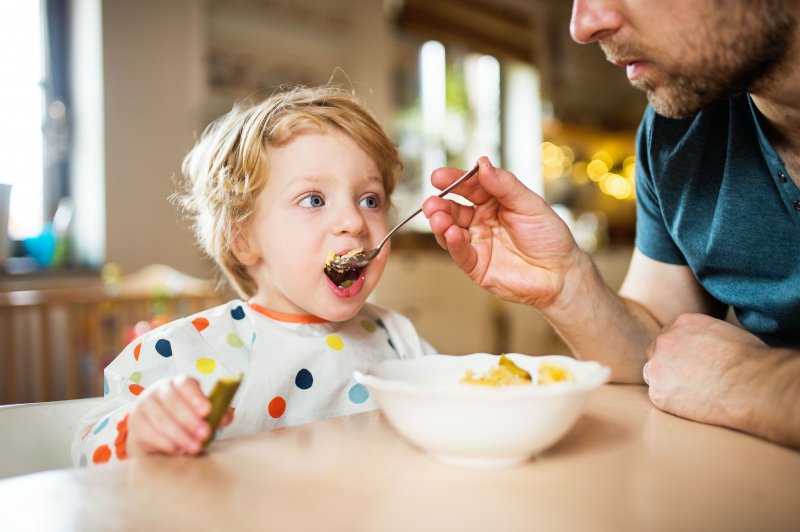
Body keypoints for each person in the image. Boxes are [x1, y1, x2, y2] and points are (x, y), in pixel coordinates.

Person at [423, 0, 800, 447]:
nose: (582, 25)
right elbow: (657, 346)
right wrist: (565, 285)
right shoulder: (677, 133)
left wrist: (750, 381)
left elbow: (721, 377)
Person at [72, 85, 435, 467]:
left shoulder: (399, 340)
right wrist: (142, 428)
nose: (354, 221)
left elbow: (449, 409)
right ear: (242, 238)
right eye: (314, 199)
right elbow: (85, 448)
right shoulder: (187, 350)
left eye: (370, 200)